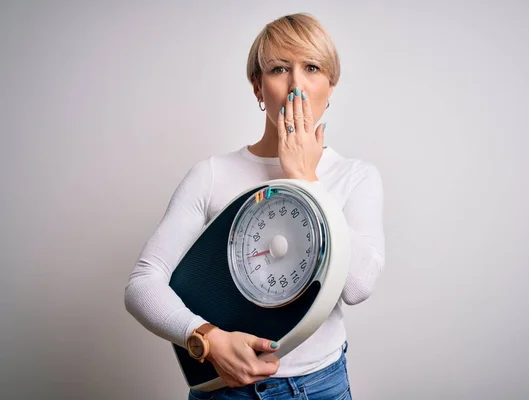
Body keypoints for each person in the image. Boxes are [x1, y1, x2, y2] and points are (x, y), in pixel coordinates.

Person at [124, 12, 385, 400]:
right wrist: (205, 339)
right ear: (258, 88)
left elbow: (358, 287)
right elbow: (142, 283)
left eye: (312, 67)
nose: (296, 85)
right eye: (280, 69)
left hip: (321, 387)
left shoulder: (355, 176)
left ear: (330, 86)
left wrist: (304, 178)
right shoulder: (212, 174)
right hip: (223, 388)